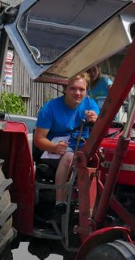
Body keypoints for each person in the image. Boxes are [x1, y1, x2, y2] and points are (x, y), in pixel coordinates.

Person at [33, 72, 98, 208]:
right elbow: (38, 140)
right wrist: (54, 147)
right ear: (65, 89)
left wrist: (96, 120)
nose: (77, 93)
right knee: (69, 156)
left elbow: (100, 126)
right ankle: (60, 203)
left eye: (82, 89)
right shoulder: (50, 108)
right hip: (53, 150)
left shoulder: (90, 104)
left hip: (81, 149)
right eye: (73, 88)